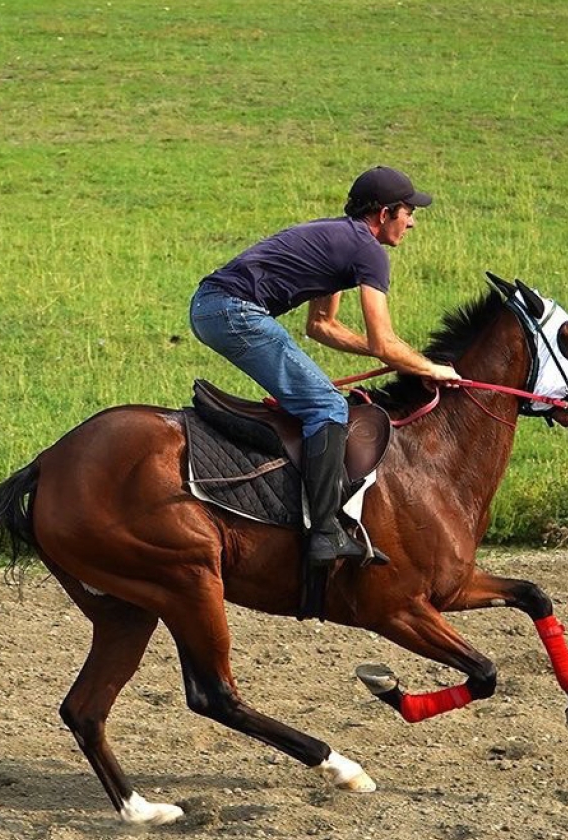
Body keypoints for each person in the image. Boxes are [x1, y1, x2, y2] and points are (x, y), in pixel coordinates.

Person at [190, 166, 461, 567]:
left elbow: (322, 326)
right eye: (408, 212)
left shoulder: (341, 236)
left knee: (321, 401)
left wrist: (396, 357)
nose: (412, 223)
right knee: (327, 406)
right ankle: (324, 533)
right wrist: (429, 368)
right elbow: (383, 342)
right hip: (233, 311)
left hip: (212, 307)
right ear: (384, 213)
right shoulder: (368, 251)